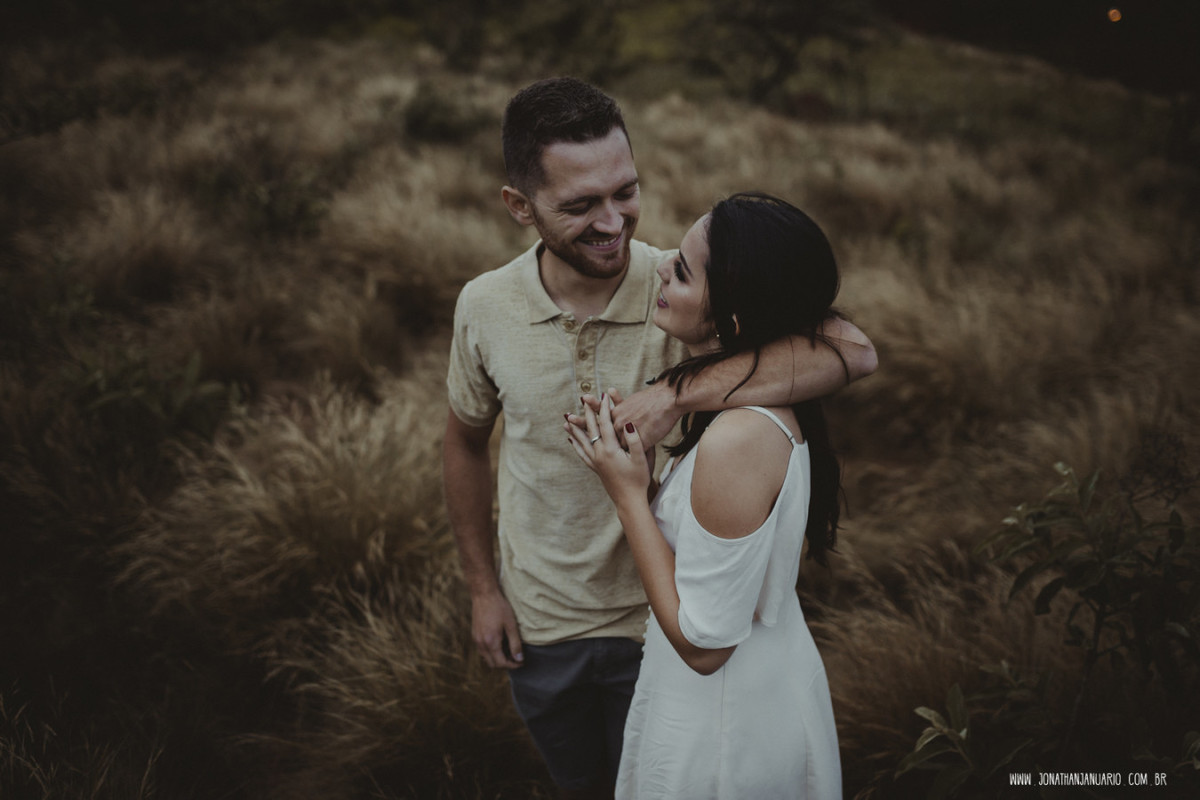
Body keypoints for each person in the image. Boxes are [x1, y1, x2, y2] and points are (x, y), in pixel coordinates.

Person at [443, 77, 874, 798]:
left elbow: (854, 350)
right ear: (519, 205)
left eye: (626, 191)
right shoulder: (483, 307)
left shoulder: (689, 293)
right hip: (542, 623)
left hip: (662, 625)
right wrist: (484, 591)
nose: (613, 222)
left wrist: (672, 392)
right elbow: (463, 443)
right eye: (580, 205)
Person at [568, 192, 846, 799]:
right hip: (741, 691)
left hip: (726, 724)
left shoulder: (740, 437)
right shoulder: (747, 404)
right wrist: (645, 463)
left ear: (732, 321)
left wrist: (627, 494)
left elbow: (704, 645)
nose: (662, 267)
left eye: (684, 271)